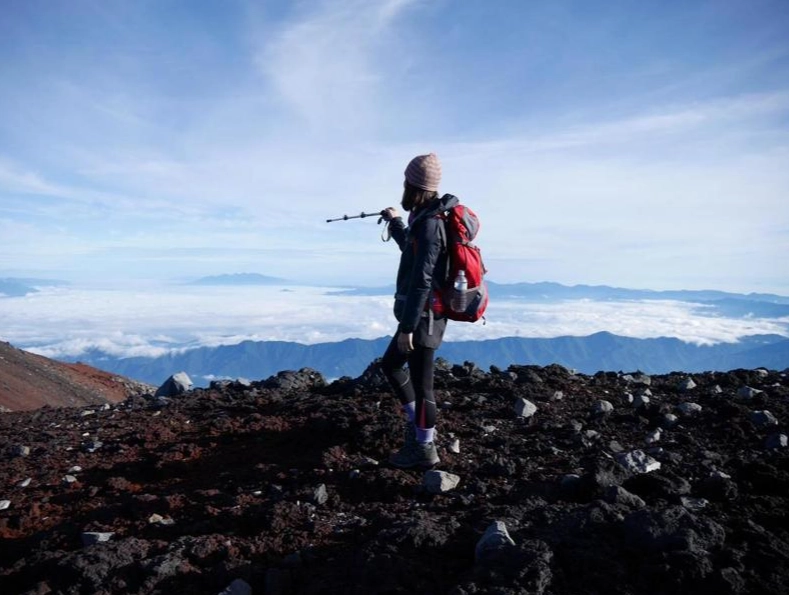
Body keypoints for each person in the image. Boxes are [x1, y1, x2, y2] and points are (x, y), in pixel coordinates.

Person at [379, 152, 458, 469]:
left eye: (407, 181)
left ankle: (424, 448)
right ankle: (419, 432)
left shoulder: (429, 226)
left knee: (423, 383)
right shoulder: (424, 219)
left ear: (414, 185)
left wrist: (408, 330)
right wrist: (396, 221)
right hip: (420, 313)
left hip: (424, 317)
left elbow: (423, 280)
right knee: (391, 365)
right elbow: (411, 251)